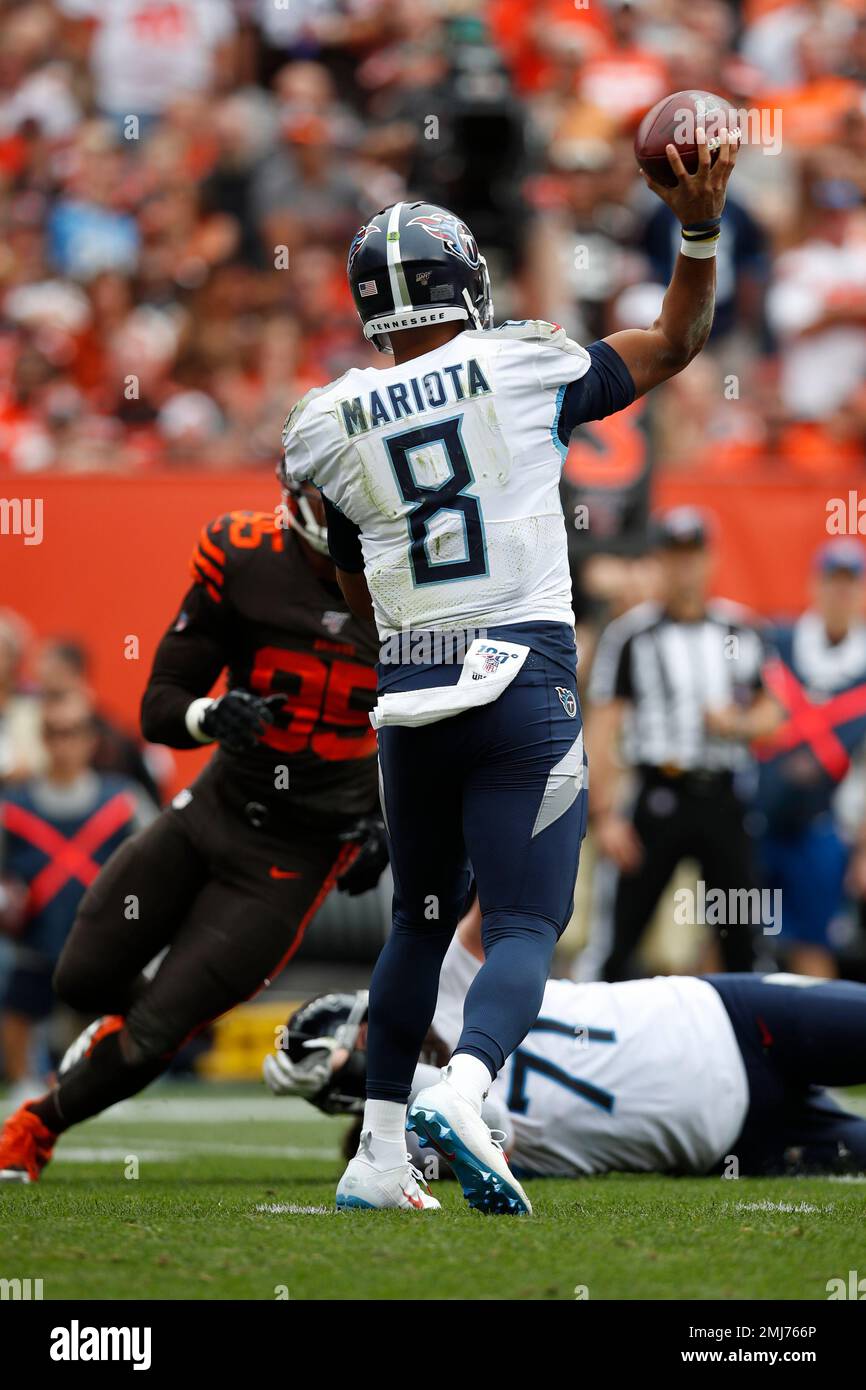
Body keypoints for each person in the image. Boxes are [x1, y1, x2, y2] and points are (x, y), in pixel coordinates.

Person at [280, 122, 741, 1215]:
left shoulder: (319, 424)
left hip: (412, 692)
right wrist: (697, 225)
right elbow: (676, 342)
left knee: (417, 925)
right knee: (528, 921)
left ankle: (379, 1154)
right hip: (517, 672)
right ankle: (468, 1088)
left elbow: (349, 582)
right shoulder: (524, 361)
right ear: (466, 282)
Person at [0, 488, 386, 1182]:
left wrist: (387, 823)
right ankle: (148, 1026)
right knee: (82, 975)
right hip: (214, 807)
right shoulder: (246, 557)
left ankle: (35, 1127)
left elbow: (440, 727)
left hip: (299, 851)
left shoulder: (412, 578)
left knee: (156, 1031)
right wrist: (213, 717)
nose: (353, 520)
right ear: (299, 496)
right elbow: (159, 706)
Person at [267, 901, 866, 1181]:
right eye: (360, 1050)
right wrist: (375, 1089)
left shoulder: (446, 981)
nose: (379, 1039)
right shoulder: (407, 1148)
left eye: (366, 1027)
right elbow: (483, 1127)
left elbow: (499, 891)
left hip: (720, 1017)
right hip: (728, 1142)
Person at [578, 506, 779, 983]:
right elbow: (602, 726)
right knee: (617, 941)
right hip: (657, 796)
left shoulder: (741, 629)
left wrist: (738, 723)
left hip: (724, 798)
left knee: (743, 939)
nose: (685, 568)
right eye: (674, 556)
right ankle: (593, 1042)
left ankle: (747, 1050)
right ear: (659, 562)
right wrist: (605, 815)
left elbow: (774, 715)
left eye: (693, 556)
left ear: (709, 561)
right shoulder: (632, 634)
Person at [0, 692, 151, 1095]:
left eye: (73, 733)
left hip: (101, 935)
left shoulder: (122, 800)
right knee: (19, 1004)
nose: (64, 744)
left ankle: (103, 1080)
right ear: (42, 739)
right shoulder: (13, 805)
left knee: (109, 1007)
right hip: (36, 936)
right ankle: (24, 1083)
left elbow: (158, 862)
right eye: (54, 733)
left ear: (91, 739)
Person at [754, 538, 866, 978]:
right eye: (831, 582)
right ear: (814, 585)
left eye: (850, 584)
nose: (840, 594)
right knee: (727, 935)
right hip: (757, 818)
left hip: (823, 830)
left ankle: (824, 1046)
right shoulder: (774, 642)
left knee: (813, 945)